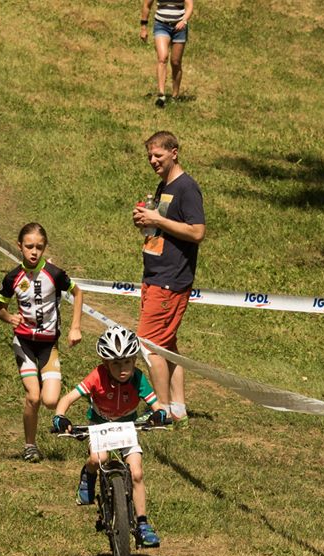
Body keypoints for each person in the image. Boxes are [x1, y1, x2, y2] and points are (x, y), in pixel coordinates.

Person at [51, 326, 168, 547]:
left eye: (127, 362)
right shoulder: (97, 376)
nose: (122, 368)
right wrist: (60, 416)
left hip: (127, 426)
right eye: (115, 363)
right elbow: (67, 398)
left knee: (137, 472)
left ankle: (143, 524)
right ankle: (88, 476)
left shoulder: (138, 378)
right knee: (99, 459)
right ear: (106, 364)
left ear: (134, 361)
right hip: (99, 425)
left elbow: (157, 404)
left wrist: (159, 413)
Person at [132, 131, 205, 428]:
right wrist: (145, 222)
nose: (153, 161)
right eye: (150, 156)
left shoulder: (187, 188)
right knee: (166, 347)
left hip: (170, 279)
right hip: (155, 275)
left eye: (158, 156)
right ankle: (177, 408)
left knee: (148, 346)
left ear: (174, 152)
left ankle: (160, 412)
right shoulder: (164, 186)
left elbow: (197, 232)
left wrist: (158, 220)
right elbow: (163, 230)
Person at [0, 223, 83, 462]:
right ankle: (30, 445)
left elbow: (78, 293)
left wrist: (75, 327)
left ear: (45, 248)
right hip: (23, 342)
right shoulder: (12, 277)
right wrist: (9, 317)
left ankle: (44, 426)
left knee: (50, 400)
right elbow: (0, 309)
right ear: (19, 246)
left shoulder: (55, 274)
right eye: (29, 247)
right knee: (34, 396)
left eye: (39, 247)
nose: (34, 252)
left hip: (48, 344)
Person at [139, 0, 194, 107]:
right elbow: (147, 5)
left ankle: (175, 95)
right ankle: (161, 94)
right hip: (161, 25)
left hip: (179, 27)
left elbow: (190, 6)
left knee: (176, 62)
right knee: (162, 58)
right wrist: (143, 27)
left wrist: (184, 21)